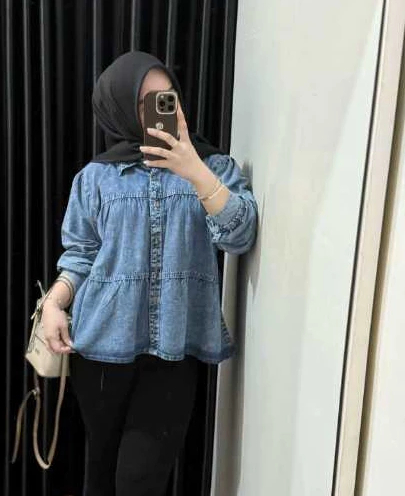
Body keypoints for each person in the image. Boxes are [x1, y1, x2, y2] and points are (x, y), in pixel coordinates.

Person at [41, 51, 258, 496]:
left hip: (173, 352)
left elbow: (240, 235)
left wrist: (194, 170)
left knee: (139, 482)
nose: (163, 110)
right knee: (100, 476)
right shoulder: (94, 179)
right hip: (99, 350)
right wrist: (53, 303)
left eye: (167, 97)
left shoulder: (214, 168)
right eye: (146, 103)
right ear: (120, 107)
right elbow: (80, 254)